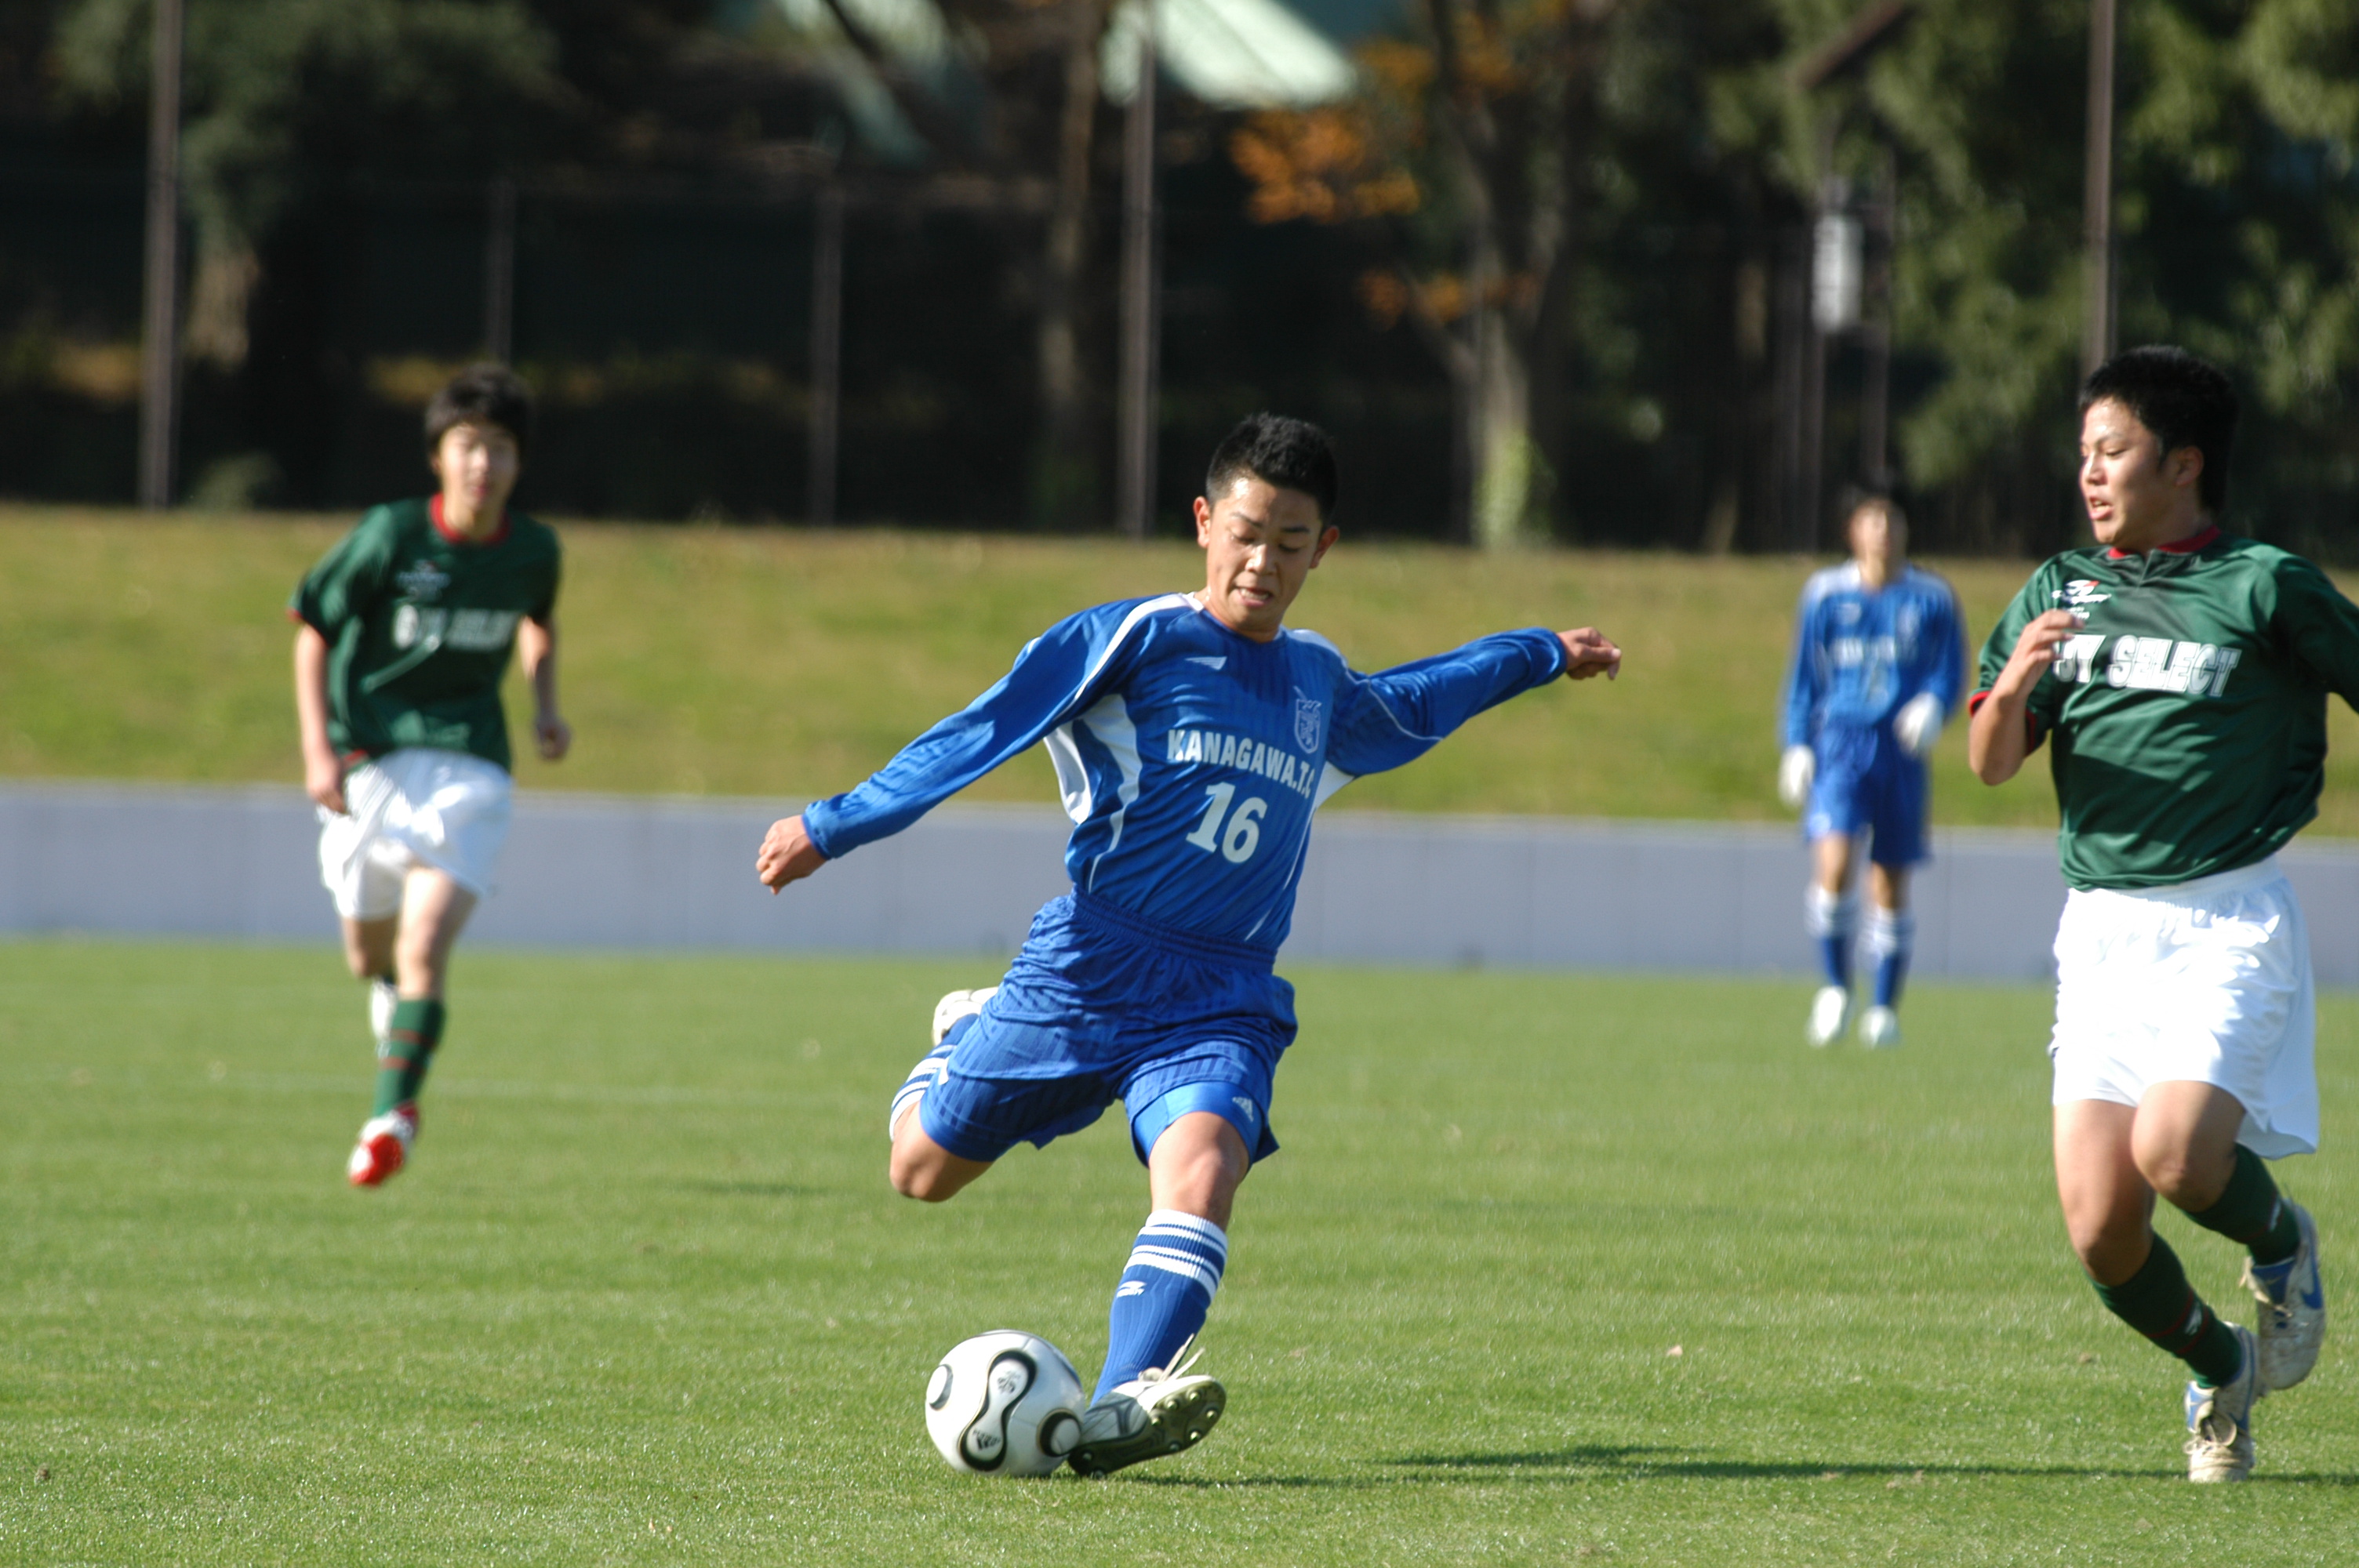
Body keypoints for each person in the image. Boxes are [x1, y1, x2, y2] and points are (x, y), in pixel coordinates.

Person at [756, 414, 1621, 1475]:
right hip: (1087, 967)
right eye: (1247, 533)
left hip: (1222, 994)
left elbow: (1415, 700)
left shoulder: (1315, 685)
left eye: (1292, 542)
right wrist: (833, 826)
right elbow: (983, 729)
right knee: (919, 1170)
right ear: (1205, 522)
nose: (1264, 562)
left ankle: (1126, 1400)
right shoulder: (1135, 640)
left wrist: (1539, 655)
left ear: (1324, 550)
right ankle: (966, 1027)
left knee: (1204, 1168)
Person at [1969, 347, 2332, 1483]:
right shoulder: (2059, 589)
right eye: (2082, 453)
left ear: (2182, 464)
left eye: (2111, 450)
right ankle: (2219, 1364)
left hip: (2227, 920)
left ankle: (2282, 1249)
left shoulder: (2267, 585)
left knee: (2176, 1154)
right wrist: (2022, 675)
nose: (2089, 473)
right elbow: (1988, 762)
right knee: (2102, 1231)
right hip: (2104, 933)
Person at [289, 364, 570, 1188]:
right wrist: (315, 748)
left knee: (423, 947)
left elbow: (537, 623)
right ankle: (391, 1009)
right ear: (439, 456)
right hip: (368, 762)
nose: (485, 464)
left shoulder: (534, 548)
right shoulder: (390, 536)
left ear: (519, 464)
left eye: (502, 449)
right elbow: (311, 627)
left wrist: (545, 705)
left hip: (469, 767)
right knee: (367, 951)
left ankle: (392, 1114)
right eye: (469, 445)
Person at [1777, 495, 1965, 1047]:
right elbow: (1804, 678)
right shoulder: (1826, 594)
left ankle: (1884, 1008)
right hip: (1840, 744)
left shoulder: (1932, 596)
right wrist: (1797, 745)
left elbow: (1949, 670)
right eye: (1872, 520)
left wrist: (1933, 704)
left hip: (1901, 751)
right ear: (1852, 530)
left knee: (1889, 879)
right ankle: (1835, 987)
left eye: (1893, 520)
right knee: (1833, 863)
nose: (1883, 530)